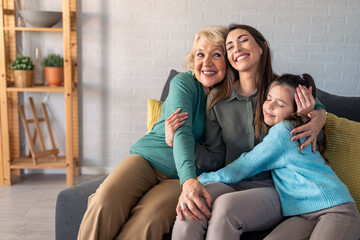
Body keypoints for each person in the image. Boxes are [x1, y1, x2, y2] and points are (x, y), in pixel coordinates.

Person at [169, 24, 328, 239]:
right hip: (230, 181)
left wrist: (318, 115)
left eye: (243, 40)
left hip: (276, 187)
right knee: (191, 208)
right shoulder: (217, 99)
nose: (237, 49)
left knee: (226, 208)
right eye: (230, 46)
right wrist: (176, 143)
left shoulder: (284, 90)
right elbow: (215, 156)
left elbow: (314, 130)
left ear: (261, 47)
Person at [77, 25, 233, 240]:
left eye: (216, 54)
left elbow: (216, 158)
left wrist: (180, 148)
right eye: (200, 54)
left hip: (178, 177)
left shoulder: (229, 100)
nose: (206, 62)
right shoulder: (184, 83)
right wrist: (188, 173)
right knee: (105, 200)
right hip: (148, 159)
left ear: (229, 61)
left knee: (150, 219)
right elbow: (183, 132)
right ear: (192, 60)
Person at [198, 73, 360, 240]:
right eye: (268, 99)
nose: (270, 106)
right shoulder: (292, 127)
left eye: (280, 104)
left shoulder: (284, 131)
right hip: (302, 213)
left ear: (295, 111)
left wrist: (202, 178)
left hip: (336, 210)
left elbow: (244, 166)